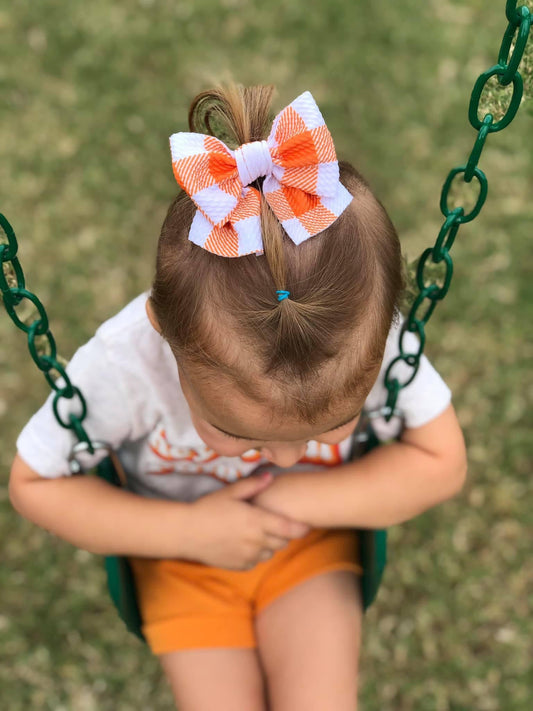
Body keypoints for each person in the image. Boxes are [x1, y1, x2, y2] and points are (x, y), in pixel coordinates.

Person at [9, 84, 467, 711]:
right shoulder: (123, 366)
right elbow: (33, 483)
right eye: (244, 435)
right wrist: (191, 533)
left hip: (306, 544)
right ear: (165, 333)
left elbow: (441, 463)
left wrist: (295, 498)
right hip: (183, 560)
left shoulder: (370, 339)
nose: (280, 459)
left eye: (333, 424)